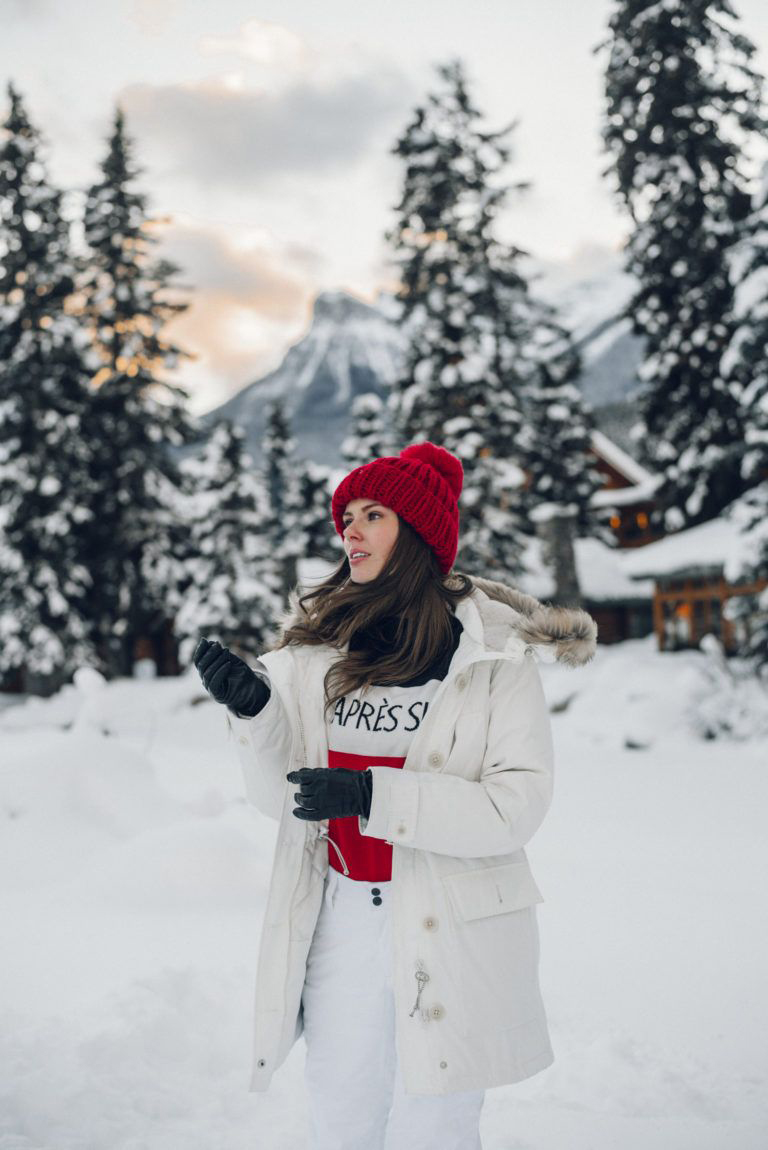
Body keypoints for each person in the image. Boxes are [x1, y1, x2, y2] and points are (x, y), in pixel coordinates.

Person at [194, 441, 598, 1150]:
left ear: (417, 535)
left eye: (372, 515)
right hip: (341, 916)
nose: (349, 530)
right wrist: (258, 717)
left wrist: (371, 795)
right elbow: (284, 800)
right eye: (346, 516)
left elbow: (513, 808)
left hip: (450, 917)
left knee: (436, 1125)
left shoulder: (495, 656)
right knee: (341, 1115)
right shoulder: (319, 647)